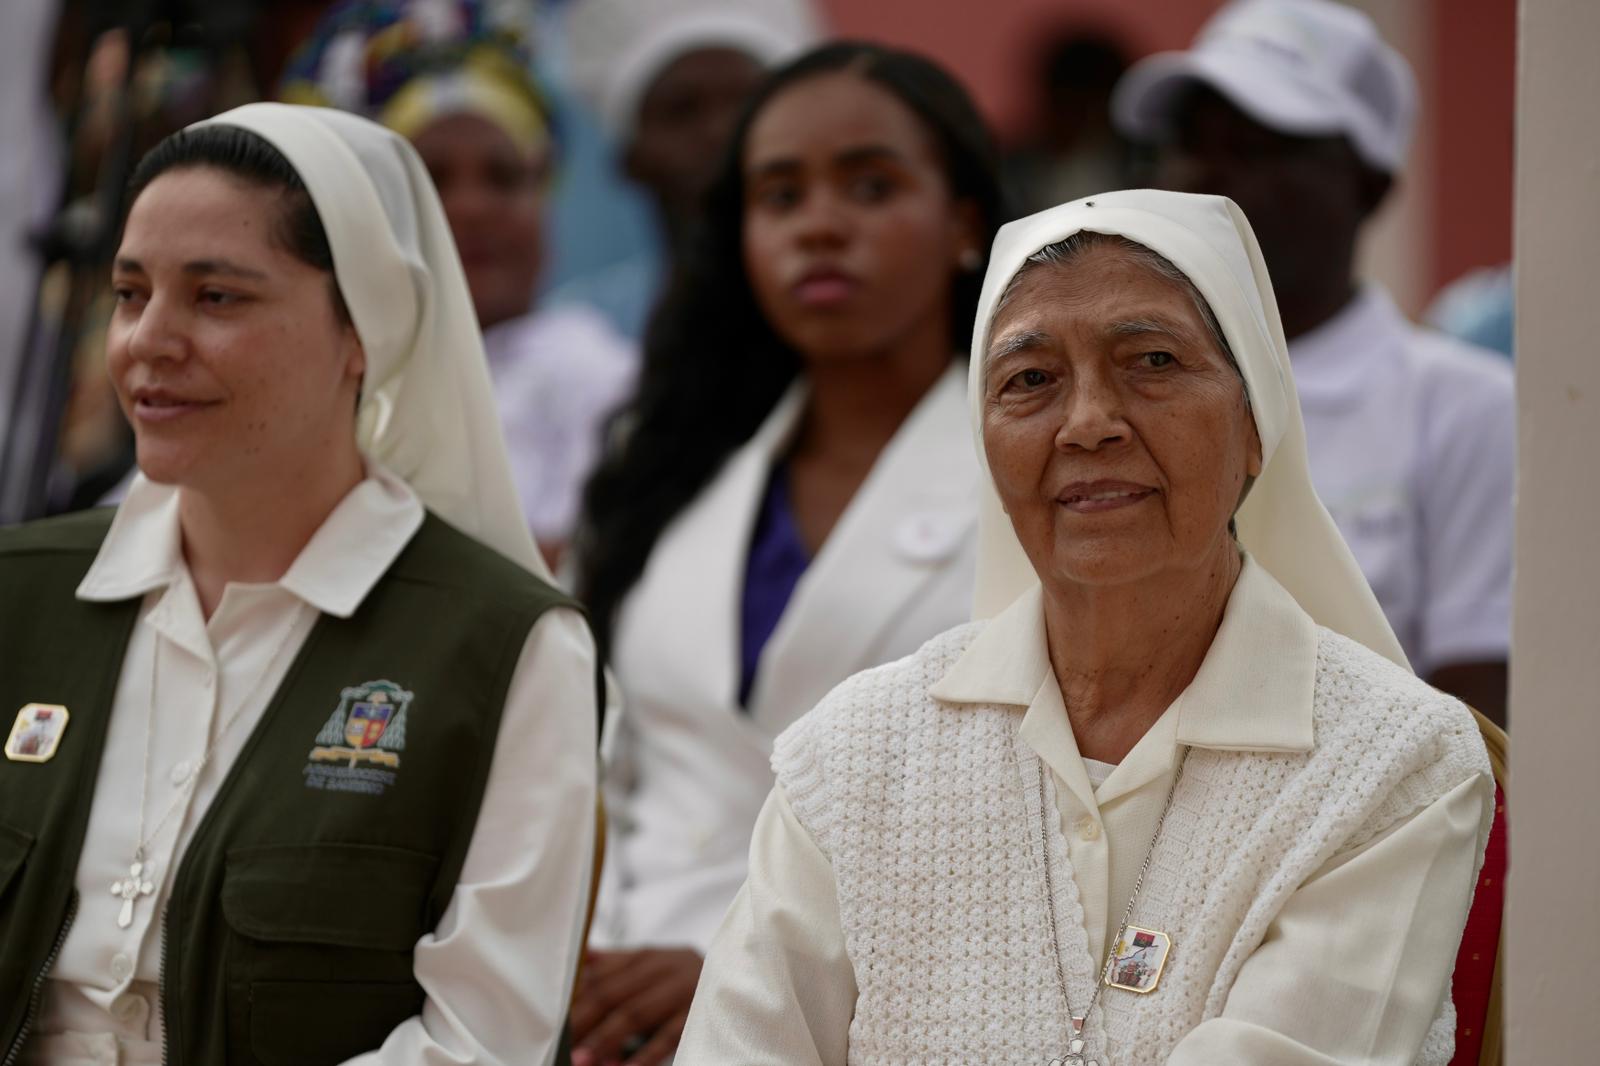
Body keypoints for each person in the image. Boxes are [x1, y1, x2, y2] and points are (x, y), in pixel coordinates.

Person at [677, 189, 1493, 1065]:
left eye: (1151, 360)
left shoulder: (1392, 762)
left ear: (1258, 424)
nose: (1089, 423)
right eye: (1030, 380)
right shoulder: (853, 754)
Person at [0, 103, 597, 1065]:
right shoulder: (17, 594)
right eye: (129, 291)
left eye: (217, 297)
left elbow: (483, 1042)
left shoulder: (503, 648)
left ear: (364, 328)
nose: (149, 340)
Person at [568, 42, 1006, 1066]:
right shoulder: (666, 464)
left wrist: (738, 965)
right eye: (779, 193)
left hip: (897, 1016)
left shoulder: (1045, 474)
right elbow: (604, 767)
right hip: (608, 1010)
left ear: (963, 224)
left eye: (870, 184)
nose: (819, 223)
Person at [1111, 0, 1515, 724]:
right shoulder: (1107, 401)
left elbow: (1475, 733)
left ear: (1370, 186)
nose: (1208, 175)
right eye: (1190, 142)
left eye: (1258, 147)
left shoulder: (1467, 408)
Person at [281, 0, 637, 566]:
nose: (471, 209)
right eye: (430, 180)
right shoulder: (297, 394)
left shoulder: (598, 383)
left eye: (503, 177)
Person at [556, 0, 821, 339]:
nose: (719, 133)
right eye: (681, 110)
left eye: (749, 103)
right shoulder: (585, 337)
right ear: (630, 161)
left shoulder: (857, 315)